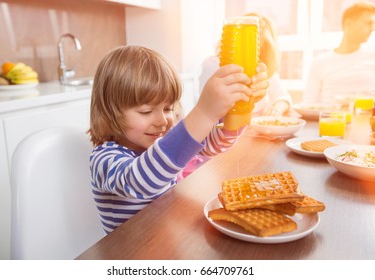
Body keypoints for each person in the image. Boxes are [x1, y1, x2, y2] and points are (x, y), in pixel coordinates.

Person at [88, 45, 269, 233]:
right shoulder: (104, 158)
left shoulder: (159, 141)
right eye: (146, 111)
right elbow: (142, 180)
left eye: (168, 109)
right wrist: (204, 113)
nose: (162, 121)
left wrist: (240, 107)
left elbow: (210, 145)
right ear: (110, 112)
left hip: (169, 238)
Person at [199, 13, 292, 117]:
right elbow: (209, 116)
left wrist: (277, 108)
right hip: (227, 130)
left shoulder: (262, 69)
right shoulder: (213, 65)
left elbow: (283, 97)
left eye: (258, 48)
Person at [302, 1, 375, 103]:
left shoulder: (373, 57)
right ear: (348, 23)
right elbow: (308, 102)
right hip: (331, 118)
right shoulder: (319, 62)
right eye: (368, 23)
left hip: (366, 117)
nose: (372, 28)